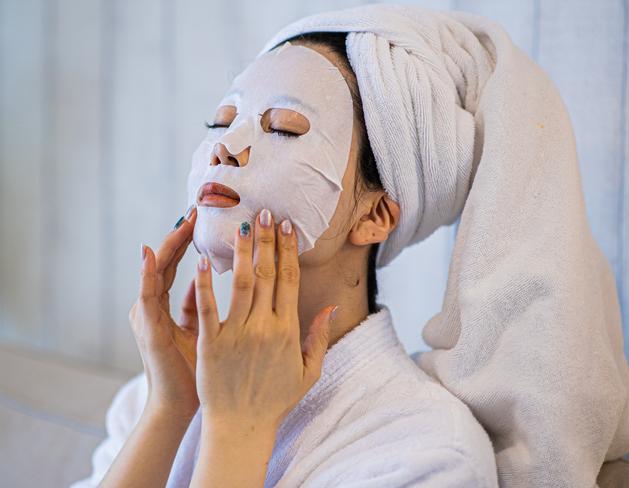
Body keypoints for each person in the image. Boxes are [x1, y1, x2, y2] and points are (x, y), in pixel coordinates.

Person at [70, 30, 498, 488]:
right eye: (221, 122)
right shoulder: (156, 396)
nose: (225, 147)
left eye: (284, 129)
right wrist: (170, 408)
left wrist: (238, 427)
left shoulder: (429, 454)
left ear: (373, 215)